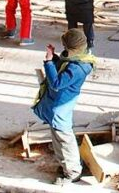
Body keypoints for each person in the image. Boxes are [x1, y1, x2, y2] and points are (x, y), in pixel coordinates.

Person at [33, 29, 96, 185]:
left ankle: (73, 172)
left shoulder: (77, 68)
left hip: (61, 106)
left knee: (64, 139)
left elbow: (56, 83)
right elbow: (62, 67)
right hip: (59, 104)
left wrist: (49, 63)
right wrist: (54, 57)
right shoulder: (78, 58)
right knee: (59, 137)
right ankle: (68, 166)